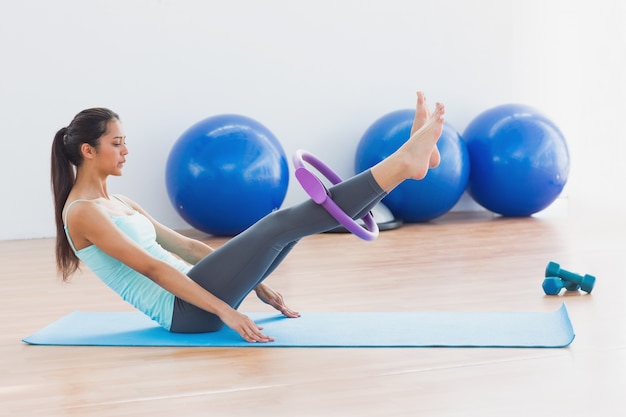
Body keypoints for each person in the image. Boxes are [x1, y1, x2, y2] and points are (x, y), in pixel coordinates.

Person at [50, 92, 445, 343]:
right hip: (186, 313)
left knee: (293, 228)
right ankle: (404, 162)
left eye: (124, 142)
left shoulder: (120, 201)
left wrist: (256, 283)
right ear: (88, 151)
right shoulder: (82, 214)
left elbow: (185, 246)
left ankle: (405, 165)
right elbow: (153, 269)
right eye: (116, 144)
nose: (125, 151)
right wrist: (227, 311)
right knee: (278, 224)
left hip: (196, 291)